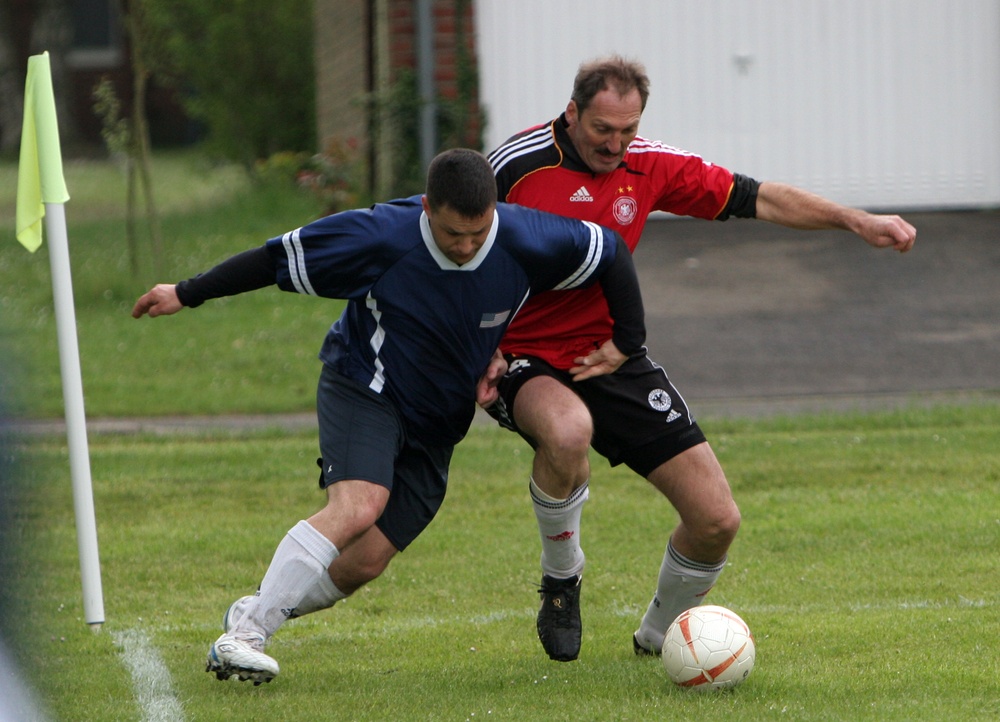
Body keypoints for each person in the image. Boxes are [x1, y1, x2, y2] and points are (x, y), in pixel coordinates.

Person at [131, 148, 646, 684]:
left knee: (364, 562)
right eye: (452, 234)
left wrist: (628, 340)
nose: (466, 247)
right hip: (366, 386)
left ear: (495, 210)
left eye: (478, 233)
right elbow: (273, 259)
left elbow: (609, 251)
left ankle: (256, 609)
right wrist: (186, 293)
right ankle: (244, 636)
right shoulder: (379, 236)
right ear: (426, 207)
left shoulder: (527, 237)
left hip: (438, 421)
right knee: (360, 504)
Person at [485, 55, 917, 662]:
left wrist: (855, 221)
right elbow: (447, 242)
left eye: (628, 129)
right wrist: (478, 346)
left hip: (610, 353)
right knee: (568, 431)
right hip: (522, 354)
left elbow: (758, 198)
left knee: (716, 520)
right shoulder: (516, 165)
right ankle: (562, 580)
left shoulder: (649, 164)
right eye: (602, 129)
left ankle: (659, 641)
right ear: (572, 112)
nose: (614, 144)